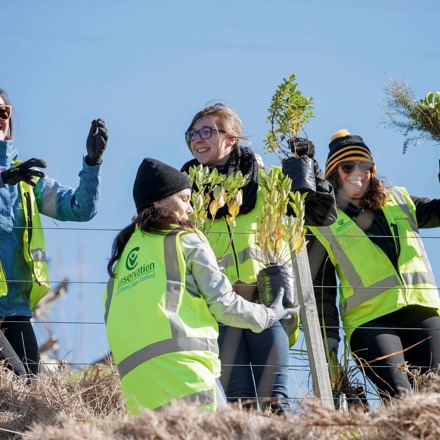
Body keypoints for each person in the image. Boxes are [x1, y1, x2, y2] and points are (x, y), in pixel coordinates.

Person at [103, 158, 296, 415]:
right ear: (159, 201)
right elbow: (224, 305)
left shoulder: (120, 264)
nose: (190, 209)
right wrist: (270, 314)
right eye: (184, 199)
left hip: (139, 393)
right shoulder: (184, 238)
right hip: (188, 376)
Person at [181, 103, 337, 413]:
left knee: (273, 399)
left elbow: (322, 214)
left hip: (268, 303)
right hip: (219, 310)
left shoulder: (267, 180)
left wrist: (308, 166)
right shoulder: (186, 191)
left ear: (232, 137)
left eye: (207, 131)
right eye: (192, 134)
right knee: (240, 402)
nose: (198, 139)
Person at [307, 129, 440, 400]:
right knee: (399, 396)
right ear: (334, 173)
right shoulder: (323, 222)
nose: (358, 171)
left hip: (422, 313)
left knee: (435, 393)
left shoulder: (401, 201)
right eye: (347, 166)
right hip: (369, 322)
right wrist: (328, 338)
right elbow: (322, 289)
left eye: (365, 165)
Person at [0, 88, 108, 379]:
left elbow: (79, 208)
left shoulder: (27, 180)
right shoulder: (12, 176)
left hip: (15, 309)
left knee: (27, 390)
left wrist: (92, 163)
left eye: (3, 113)